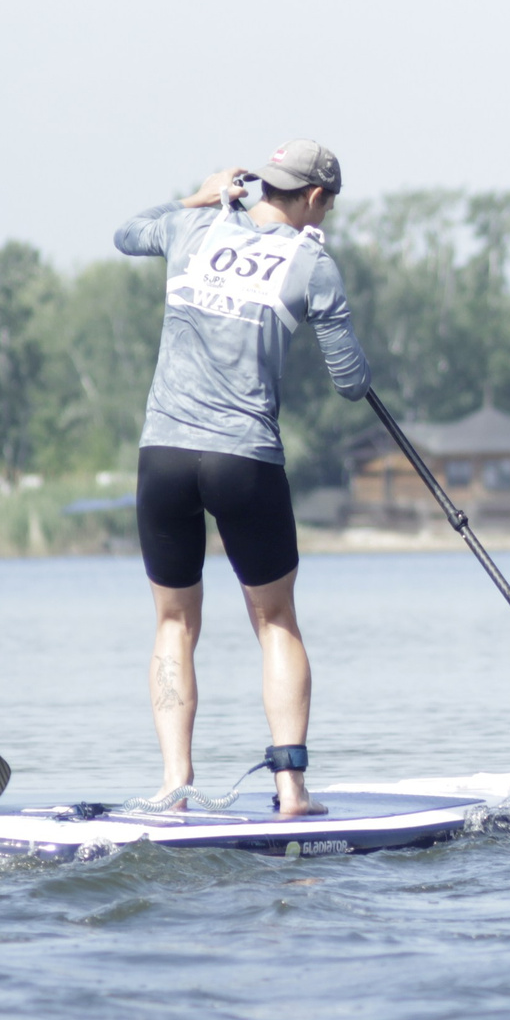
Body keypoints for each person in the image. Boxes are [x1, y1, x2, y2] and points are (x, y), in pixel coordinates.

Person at [115, 140, 371, 816]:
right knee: (276, 621)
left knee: (173, 624)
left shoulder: (191, 226)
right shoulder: (312, 261)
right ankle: (291, 789)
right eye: (330, 204)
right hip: (243, 459)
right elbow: (350, 383)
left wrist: (198, 195)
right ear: (314, 199)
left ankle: (174, 785)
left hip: (163, 455)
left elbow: (125, 233)